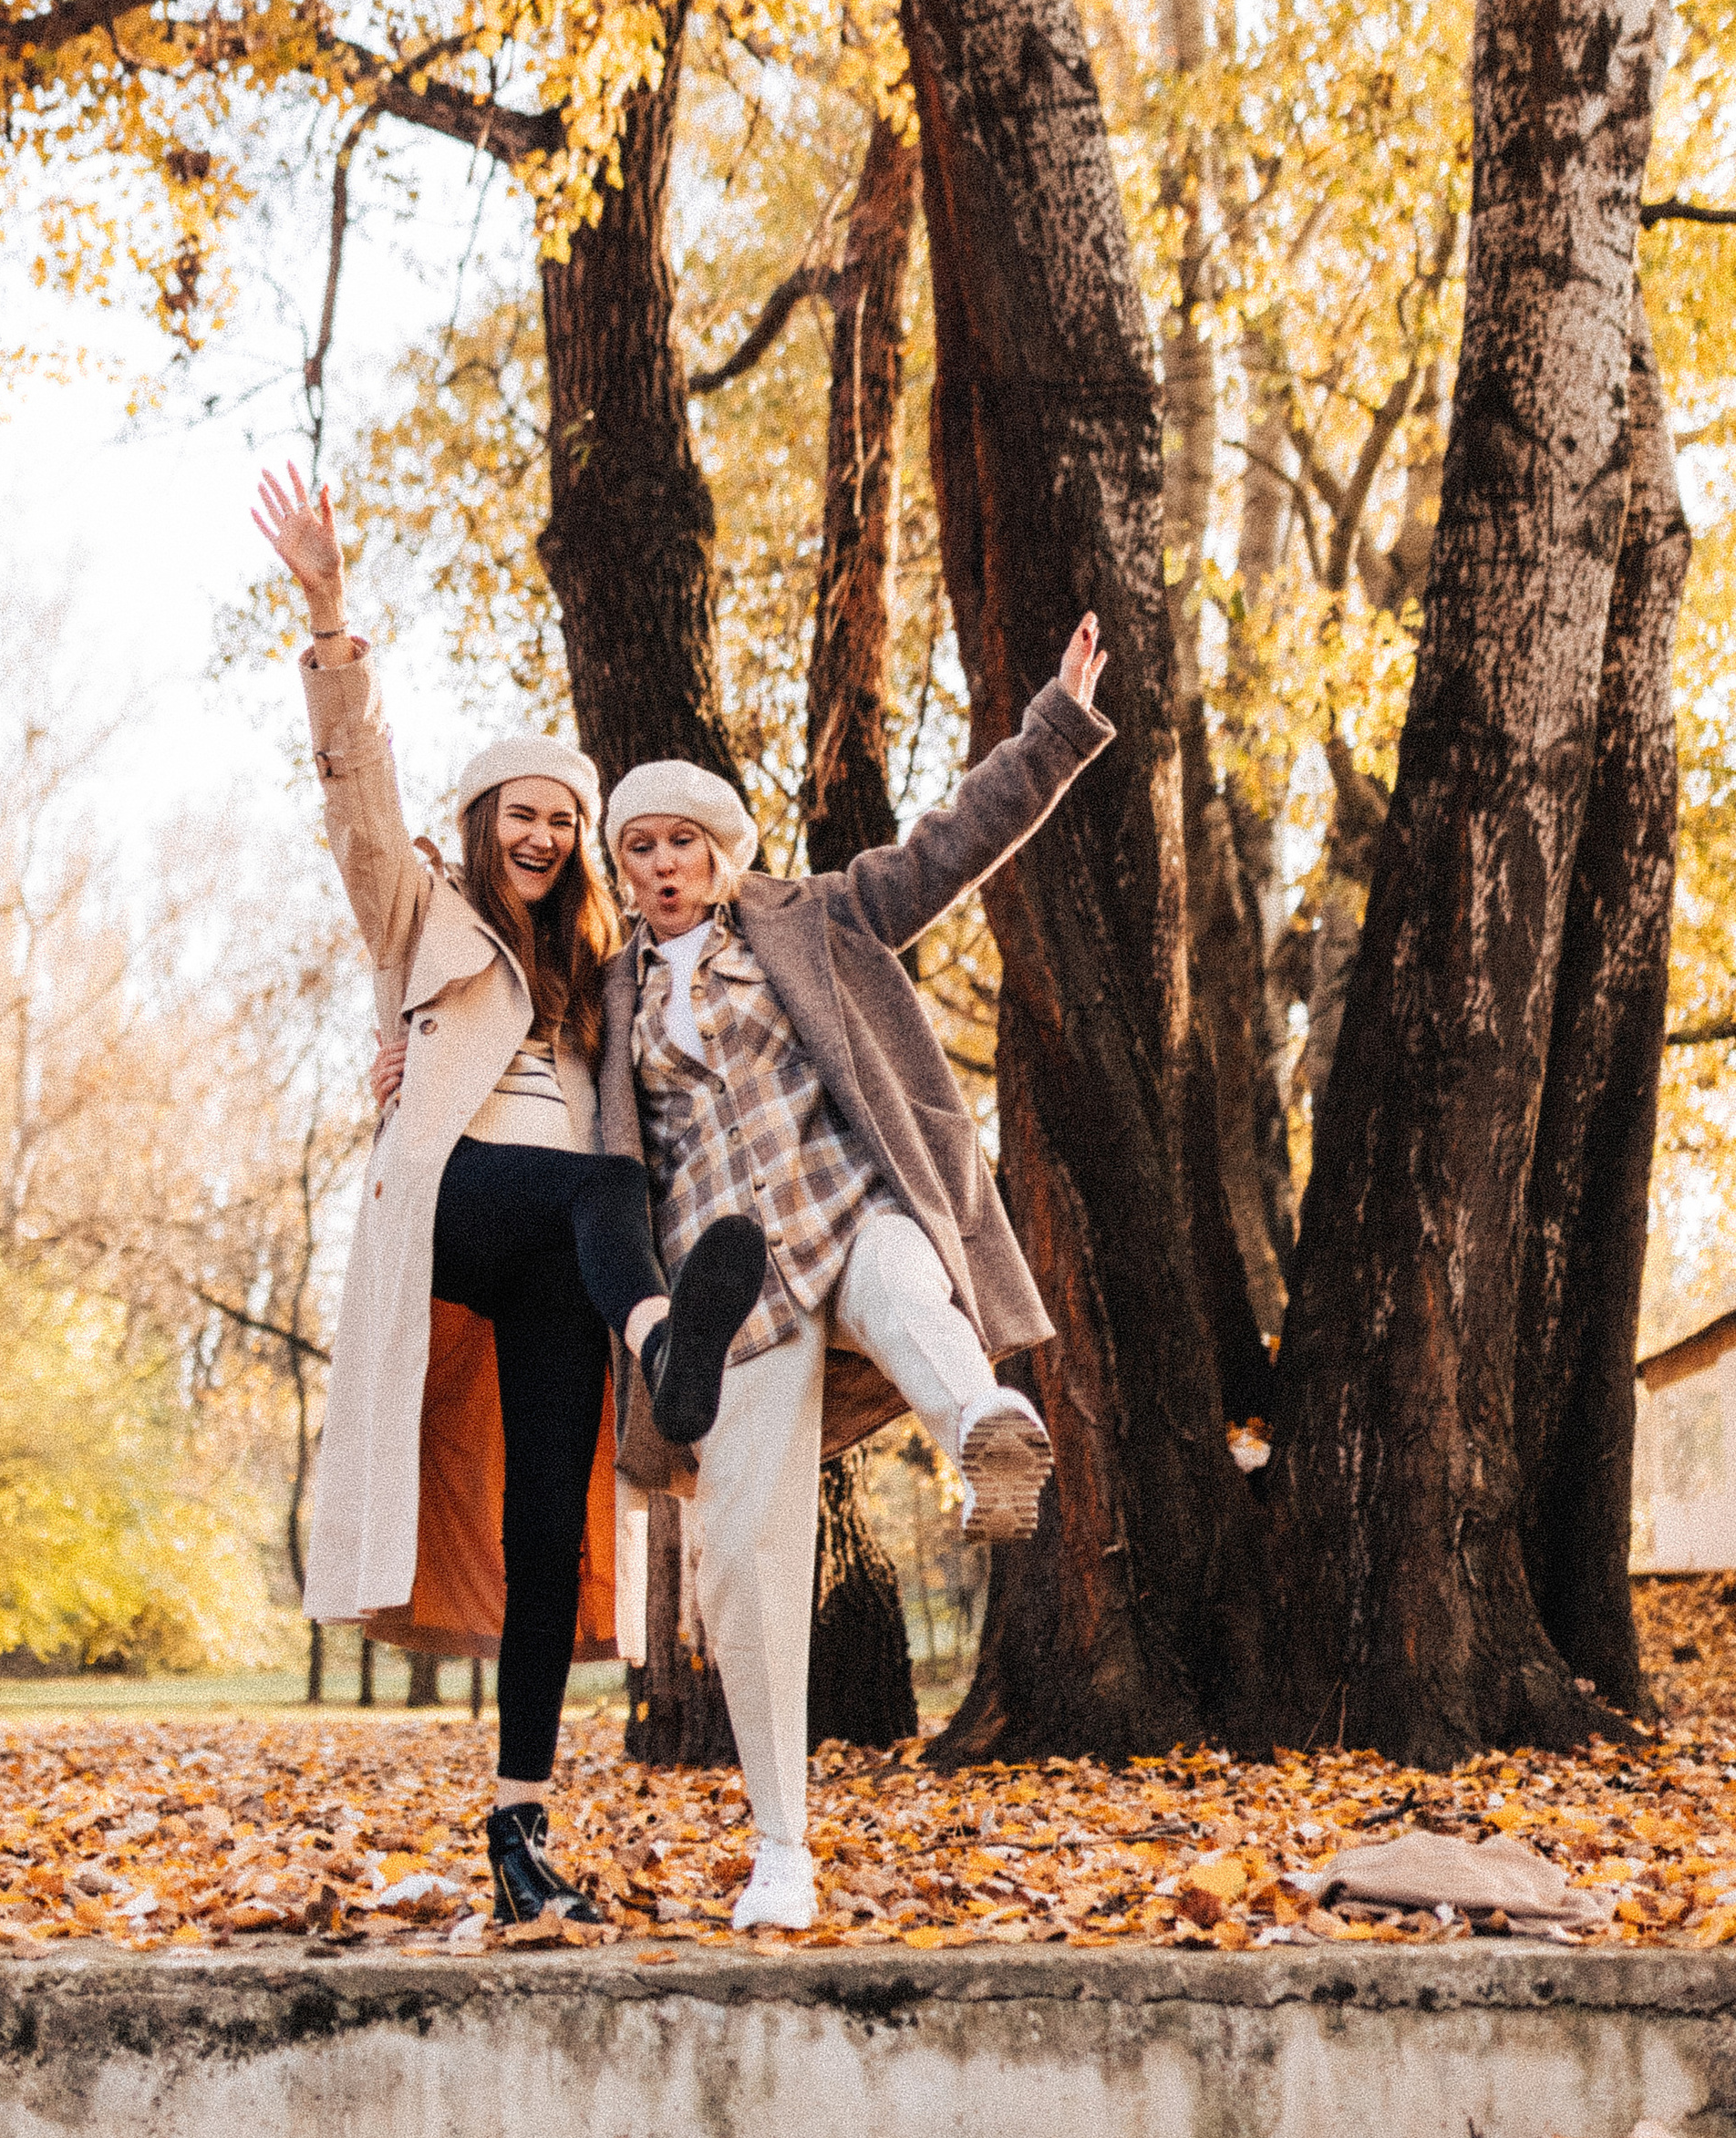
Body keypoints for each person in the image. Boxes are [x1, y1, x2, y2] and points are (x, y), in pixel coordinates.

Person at [253, 465, 768, 1926]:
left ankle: (521, 1830)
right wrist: (332, 620)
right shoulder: (422, 912)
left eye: (564, 819)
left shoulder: (604, 981)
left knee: (555, 1523)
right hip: (461, 1203)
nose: (543, 835)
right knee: (601, 1187)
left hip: (574, 1251)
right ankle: (670, 1341)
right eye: (521, 813)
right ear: (485, 820)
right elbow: (356, 800)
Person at [598, 616, 1113, 1931]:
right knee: (741, 1562)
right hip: (734, 1293)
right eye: (638, 847)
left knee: (906, 1288)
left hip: (852, 1199)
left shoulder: (819, 919)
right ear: (622, 867)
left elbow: (953, 846)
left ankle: (985, 1432)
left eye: (681, 843)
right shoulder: (599, 1003)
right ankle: (782, 1849)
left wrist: (1053, 721)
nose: (661, 864)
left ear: (723, 854)